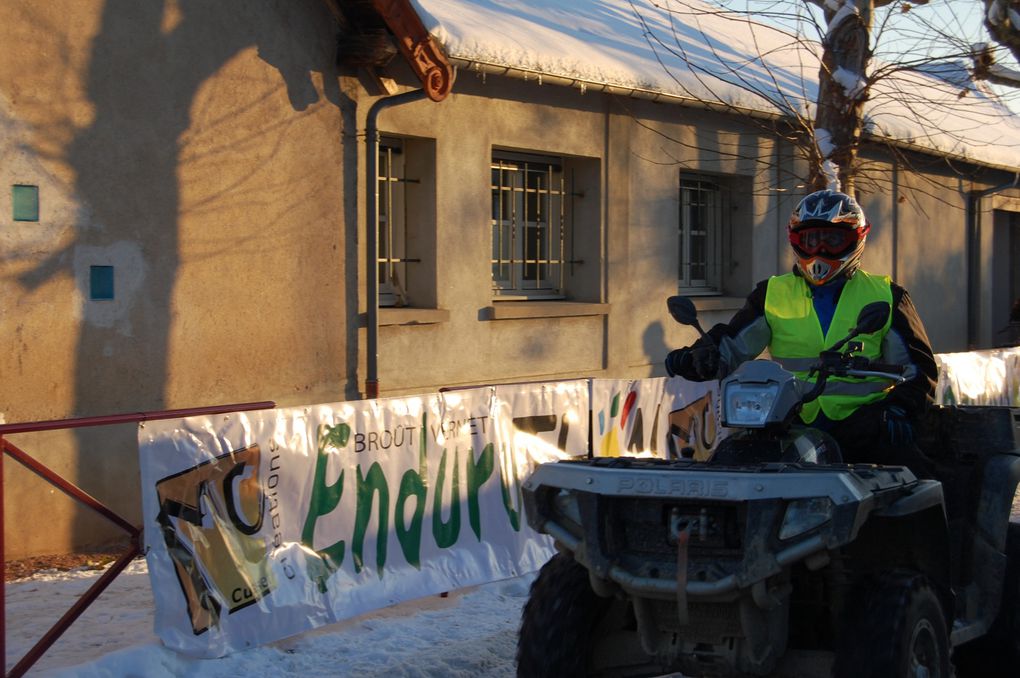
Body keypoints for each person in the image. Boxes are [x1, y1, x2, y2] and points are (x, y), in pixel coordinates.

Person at [665, 189, 938, 474]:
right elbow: (731, 345)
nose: (819, 251)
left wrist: (898, 409)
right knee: (732, 464)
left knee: (913, 483)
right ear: (796, 240)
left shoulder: (886, 295)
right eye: (810, 240)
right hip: (786, 422)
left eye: (833, 240)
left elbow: (920, 370)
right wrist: (698, 357)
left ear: (856, 239)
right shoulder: (772, 293)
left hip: (864, 425)